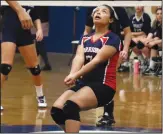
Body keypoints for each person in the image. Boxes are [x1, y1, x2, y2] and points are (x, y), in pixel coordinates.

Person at [51, 5, 121, 133]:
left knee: (71, 106)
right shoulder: (85, 38)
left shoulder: (113, 39)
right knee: (57, 110)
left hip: (104, 86)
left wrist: (76, 75)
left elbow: (96, 61)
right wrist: (72, 74)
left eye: (103, 11)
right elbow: (78, 58)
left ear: (111, 20)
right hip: (84, 84)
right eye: (96, 11)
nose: (98, 13)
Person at [83, 6, 131, 126]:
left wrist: (124, 49)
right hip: (96, 44)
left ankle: (108, 114)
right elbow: (86, 30)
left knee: (108, 76)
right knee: (93, 75)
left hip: (113, 45)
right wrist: (83, 46)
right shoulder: (92, 7)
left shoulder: (119, 8)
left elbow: (128, 32)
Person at [0, 1, 47, 111]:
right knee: (5, 67)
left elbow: (35, 16)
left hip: (25, 34)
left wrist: (39, 29)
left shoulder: (30, 2)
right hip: (9, 33)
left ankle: (40, 96)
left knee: (35, 68)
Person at [138, 8, 162, 76]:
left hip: (160, 43)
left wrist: (155, 41)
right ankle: (151, 66)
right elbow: (151, 34)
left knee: (155, 42)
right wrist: (147, 41)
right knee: (142, 43)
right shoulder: (156, 23)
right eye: (158, 14)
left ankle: (152, 65)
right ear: (156, 15)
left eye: (161, 13)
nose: (159, 15)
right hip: (159, 42)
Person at [31, 6, 52, 71]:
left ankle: (46, 64)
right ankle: (37, 64)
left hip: (40, 20)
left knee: (39, 43)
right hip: (40, 19)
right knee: (38, 43)